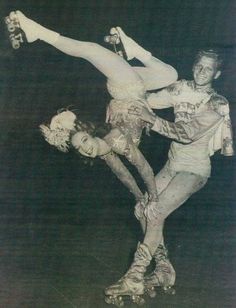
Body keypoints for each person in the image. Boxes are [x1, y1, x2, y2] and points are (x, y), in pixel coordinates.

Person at [6, 11, 181, 304]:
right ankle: (131, 47)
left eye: (85, 142)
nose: (87, 149)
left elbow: (144, 169)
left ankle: (37, 30)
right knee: (170, 75)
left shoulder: (112, 139)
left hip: (126, 88)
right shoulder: (108, 150)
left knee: (90, 50)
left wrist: (153, 198)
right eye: (84, 148)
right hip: (135, 91)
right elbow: (129, 172)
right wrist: (142, 197)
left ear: (91, 135)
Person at [103, 49, 234, 305]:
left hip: (194, 169)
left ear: (216, 74)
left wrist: (151, 120)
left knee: (156, 211)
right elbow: (145, 99)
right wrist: (122, 99)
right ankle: (163, 269)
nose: (201, 71)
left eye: (208, 68)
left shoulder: (218, 103)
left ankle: (135, 275)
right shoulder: (180, 88)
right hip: (173, 165)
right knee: (141, 209)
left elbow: (186, 133)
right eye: (199, 65)